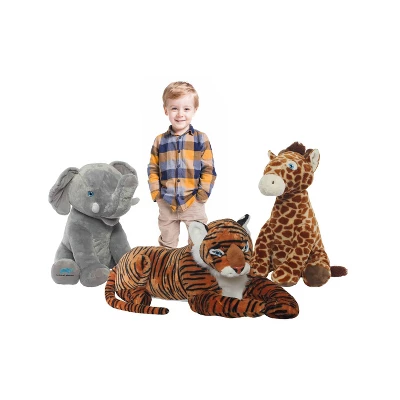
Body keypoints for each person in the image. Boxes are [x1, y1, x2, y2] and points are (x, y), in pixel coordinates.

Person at [147, 81, 217, 248]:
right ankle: (167, 264)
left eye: (186, 109)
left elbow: (208, 169)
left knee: (199, 242)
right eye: (174, 108)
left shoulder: (201, 139)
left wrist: (202, 195)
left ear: (194, 110)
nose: (180, 114)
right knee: (167, 243)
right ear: (166, 110)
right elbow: (153, 168)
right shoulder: (160, 140)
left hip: (193, 201)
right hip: (167, 201)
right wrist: (156, 194)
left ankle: (196, 264)